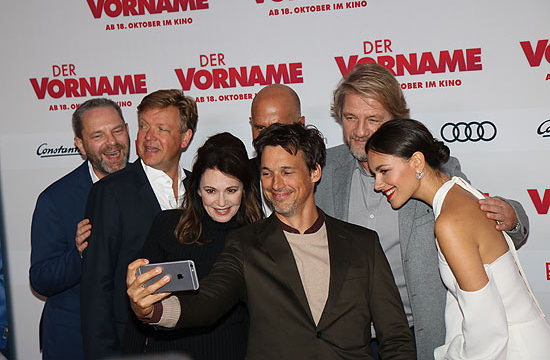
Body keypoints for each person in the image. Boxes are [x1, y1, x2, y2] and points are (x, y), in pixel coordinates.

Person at [127, 123, 416, 359]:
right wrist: (152, 310)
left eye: (287, 172)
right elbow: (206, 303)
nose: (276, 184)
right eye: (267, 173)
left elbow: (396, 337)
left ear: (314, 171)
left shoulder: (362, 243)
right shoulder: (246, 244)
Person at [315, 63, 530, 360]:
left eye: (373, 119)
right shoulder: (322, 170)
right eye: (350, 117)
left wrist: (512, 217)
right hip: (350, 340)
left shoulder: (429, 168)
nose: (360, 131)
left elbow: (477, 217)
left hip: (417, 336)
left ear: (396, 120)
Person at [366, 118, 550, 359]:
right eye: (374, 174)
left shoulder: (449, 222)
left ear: (417, 161)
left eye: (384, 171)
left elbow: (488, 333)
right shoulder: (460, 192)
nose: (378, 185)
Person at [80, 89, 197, 359]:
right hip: (134, 344)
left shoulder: (202, 189)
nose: (148, 137)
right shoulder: (110, 192)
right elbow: (97, 286)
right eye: (144, 126)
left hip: (193, 341)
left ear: (185, 138)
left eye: (161, 129)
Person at [123, 132, 261, 358]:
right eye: (211, 191)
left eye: (231, 190)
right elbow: (138, 307)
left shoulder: (257, 237)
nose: (221, 202)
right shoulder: (167, 226)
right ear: (197, 189)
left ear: (245, 188)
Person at [30, 98, 130, 359]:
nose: (112, 142)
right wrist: (80, 254)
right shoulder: (55, 199)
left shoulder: (150, 185)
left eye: (117, 130)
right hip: (74, 341)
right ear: (80, 145)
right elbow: (40, 278)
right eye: (98, 135)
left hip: (134, 337)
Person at [249, 84, 305, 215]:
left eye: (278, 128)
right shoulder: (237, 178)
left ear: (301, 125)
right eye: (261, 128)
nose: (268, 137)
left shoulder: (326, 177)